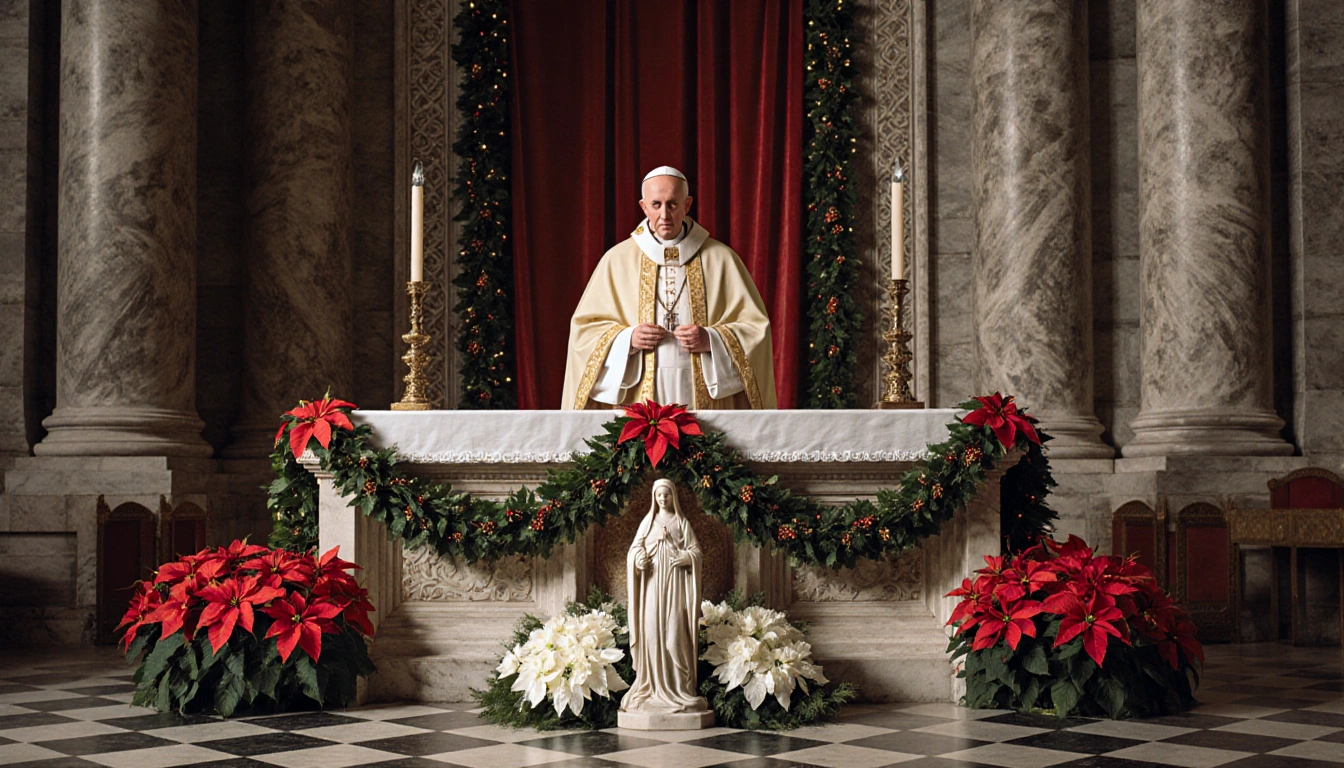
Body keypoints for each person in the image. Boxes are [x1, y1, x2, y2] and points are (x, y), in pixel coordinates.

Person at [560, 166, 777, 409]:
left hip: (704, 397)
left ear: (687, 204)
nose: (664, 214)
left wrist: (711, 339)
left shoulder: (721, 259)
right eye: (656, 204)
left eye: (673, 204)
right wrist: (627, 339)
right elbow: (583, 332)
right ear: (643, 207)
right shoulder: (616, 260)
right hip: (638, 397)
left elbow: (756, 329)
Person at [621, 479, 708, 715]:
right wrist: (639, 560)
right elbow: (634, 550)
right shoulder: (647, 523)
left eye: (666, 495)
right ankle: (651, 688)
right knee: (651, 633)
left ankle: (679, 688)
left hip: (676, 587)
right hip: (652, 588)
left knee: (674, 636)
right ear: (654, 497)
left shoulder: (682, 522)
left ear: (673, 496)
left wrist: (687, 558)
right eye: (659, 495)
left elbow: (696, 551)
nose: (663, 499)